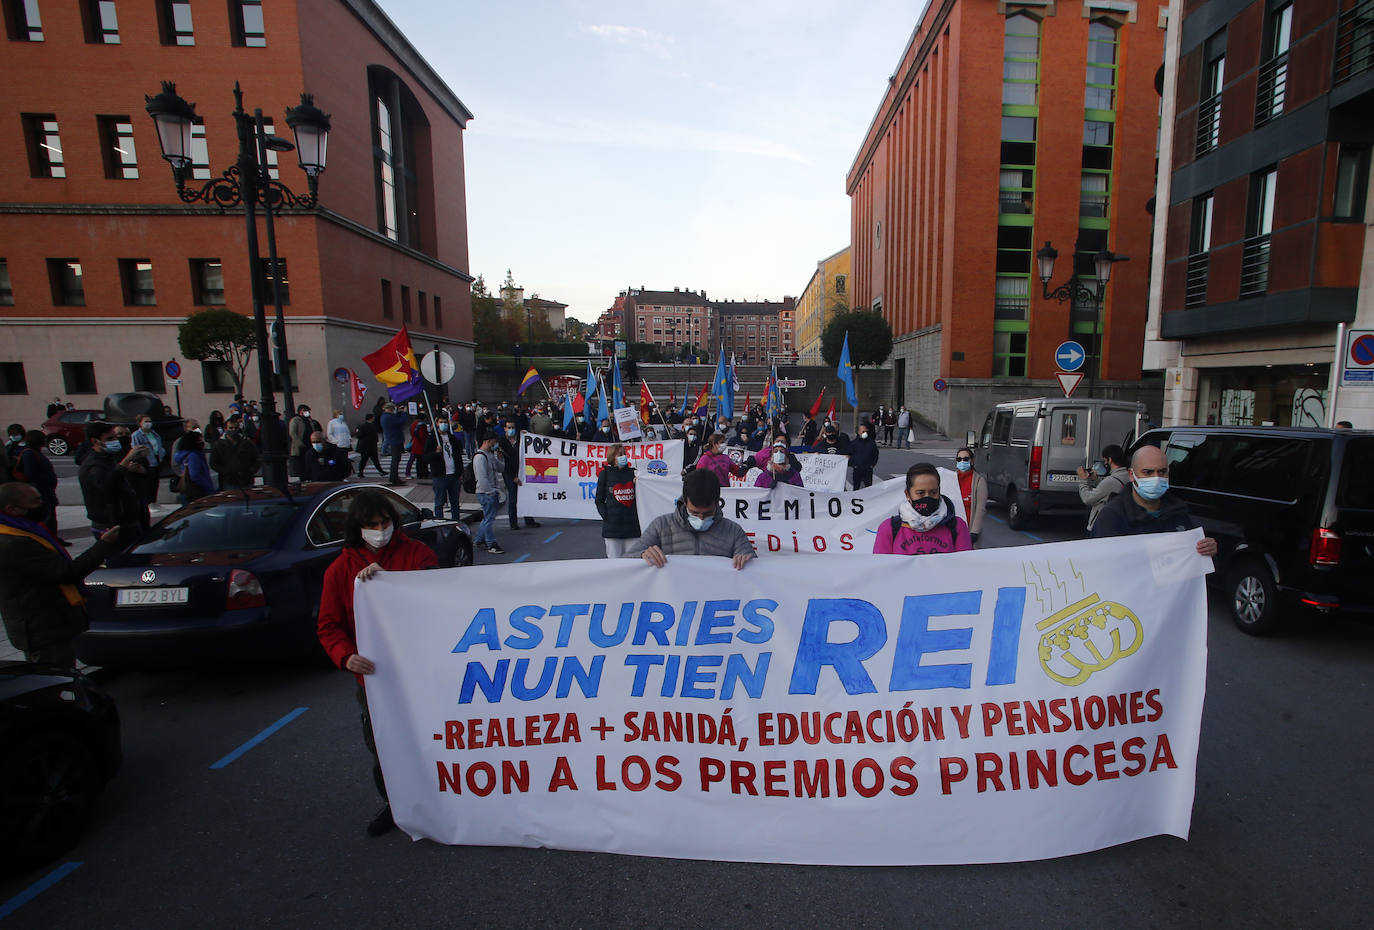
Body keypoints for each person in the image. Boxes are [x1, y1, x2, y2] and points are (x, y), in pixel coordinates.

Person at [316, 489, 438, 837]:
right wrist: (345, 655)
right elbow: (328, 626)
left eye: (385, 522)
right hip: (374, 679)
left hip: (420, 672)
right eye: (372, 525)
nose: (380, 530)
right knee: (383, 745)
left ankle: (441, 797)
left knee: (431, 738)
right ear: (358, 528)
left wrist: (390, 581)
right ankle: (395, 804)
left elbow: (439, 597)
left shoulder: (417, 554)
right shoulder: (340, 571)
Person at [0, 484, 118, 666]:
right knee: (54, 680)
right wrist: (103, 545)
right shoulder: (14, 542)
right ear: (12, 509)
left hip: (48, 624)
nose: (42, 504)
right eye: (35, 501)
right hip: (43, 629)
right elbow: (65, 572)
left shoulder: (25, 530)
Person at [1090, 445, 1219, 558]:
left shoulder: (1178, 511)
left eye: (1162, 472)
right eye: (1148, 472)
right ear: (1131, 474)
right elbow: (1101, 564)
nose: (1156, 478)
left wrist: (1208, 552)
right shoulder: (1112, 516)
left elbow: (1197, 566)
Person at [631, 468, 754, 570]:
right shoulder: (661, 526)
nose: (701, 519)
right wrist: (642, 555)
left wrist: (746, 560)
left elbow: (756, 568)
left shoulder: (733, 531)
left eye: (707, 514)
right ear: (684, 501)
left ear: (717, 503)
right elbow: (625, 561)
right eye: (695, 513)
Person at [873, 462, 973, 555]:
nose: (927, 497)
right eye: (920, 493)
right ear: (907, 494)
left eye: (933, 492)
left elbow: (965, 567)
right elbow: (881, 570)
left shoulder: (957, 527)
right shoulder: (889, 528)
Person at [79, 421, 148, 537]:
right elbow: (108, 485)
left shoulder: (108, 458)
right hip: (111, 525)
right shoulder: (93, 465)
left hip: (127, 520)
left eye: (115, 437)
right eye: (110, 438)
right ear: (95, 441)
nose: (116, 441)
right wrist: (126, 462)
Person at [595, 443, 642, 558]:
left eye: (624, 454)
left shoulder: (634, 473)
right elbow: (599, 500)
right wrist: (607, 516)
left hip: (633, 528)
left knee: (634, 562)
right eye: (620, 454)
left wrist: (639, 484)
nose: (623, 456)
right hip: (612, 529)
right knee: (615, 563)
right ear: (612, 457)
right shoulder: (605, 474)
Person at [15, 430, 61, 538]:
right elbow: (31, 474)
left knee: (51, 517)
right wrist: (47, 480)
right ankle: (48, 538)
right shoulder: (29, 454)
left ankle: (53, 537)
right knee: (46, 517)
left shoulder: (35, 453)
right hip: (41, 491)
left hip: (46, 490)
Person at [1076, 444, 1131, 533]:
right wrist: (1096, 479)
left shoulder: (1110, 481)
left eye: (1105, 460)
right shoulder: (1128, 476)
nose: (1105, 464)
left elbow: (1087, 499)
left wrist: (1083, 480)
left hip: (1102, 526)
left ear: (1110, 460)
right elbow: (1107, 490)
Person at [498, 417, 539, 529]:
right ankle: (513, 523)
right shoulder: (502, 442)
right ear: (505, 429)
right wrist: (513, 477)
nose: (511, 429)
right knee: (513, 497)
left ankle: (529, 520)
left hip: (522, 471)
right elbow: (503, 462)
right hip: (509, 473)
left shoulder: (521, 440)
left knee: (526, 495)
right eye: (509, 427)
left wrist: (528, 435)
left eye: (513, 427)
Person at [424, 414, 464, 520]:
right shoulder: (432, 438)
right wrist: (436, 453)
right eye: (441, 422)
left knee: (455, 502)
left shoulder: (452, 438)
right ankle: (440, 523)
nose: (444, 424)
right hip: (440, 476)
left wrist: (460, 472)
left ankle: (456, 522)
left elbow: (458, 455)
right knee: (439, 502)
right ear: (437, 423)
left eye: (445, 422)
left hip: (453, 475)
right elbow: (425, 457)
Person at [472, 434, 506, 554]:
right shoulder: (480, 457)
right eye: (494, 442)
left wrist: (501, 458)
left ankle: (479, 540)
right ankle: (491, 543)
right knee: (489, 519)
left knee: (487, 518)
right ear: (487, 441)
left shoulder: (490, 455)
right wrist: (491, 492)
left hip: (492, 491)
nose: (495, 445)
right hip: (486, 493)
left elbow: (500, 468)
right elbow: (482, 478)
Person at [210, 414, 260, 489]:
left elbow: (257, 458)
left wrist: (251, 471)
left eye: (235, 428)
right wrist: (226, 472)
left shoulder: (247, 442)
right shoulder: (219, 445)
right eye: (231, 428)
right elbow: (214, 463)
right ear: (225, 429)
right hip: (229, 481)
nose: (233, 430)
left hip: (246, 480)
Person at [129, 414, 166, 511]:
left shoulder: (154, 434)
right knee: (149, 483)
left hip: (157, 459)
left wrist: (162, 453)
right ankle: (149, 503)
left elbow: (159, 445)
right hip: (148, 461)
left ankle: (154, 501)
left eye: (149, 421)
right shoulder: (137, 435)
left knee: (155, 482)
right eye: (146, 421)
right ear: (140, 423)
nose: (148, 423)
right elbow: (136, 448)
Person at [953, 447, 988, 545]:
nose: (962, 462)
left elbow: (980, 508)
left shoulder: (979, 481)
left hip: (969, 527)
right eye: (959, 459)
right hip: (954, 528)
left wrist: (974, 532)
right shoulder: (952, 478)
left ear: (972, 461)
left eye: (965, 459)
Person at [172, 430, 214, 504]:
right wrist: (208, 487)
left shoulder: (185, 455)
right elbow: (195, 475)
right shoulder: (193, 456)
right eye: (199, 440)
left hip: (189, 491)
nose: (201, 442)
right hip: (197, 491)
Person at [287, 404, 320, 480]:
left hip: (309, 445)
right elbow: (292, 433)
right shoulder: (295, 420)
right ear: (301, 411)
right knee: (301, 464)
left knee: (309, 462)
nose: (307, 412)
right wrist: (299, 443)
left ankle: (309, 476)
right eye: (305, 410)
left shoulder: (309, 420)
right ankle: (303, 478)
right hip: (301, 446)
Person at [380, 403, 409, 486]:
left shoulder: (385, 416)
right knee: (395, 460)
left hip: (394, 439)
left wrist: (399, 413)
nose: (393, 411)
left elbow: (396, 419)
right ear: (389, 409)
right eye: (392, 409)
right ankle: (394, 478)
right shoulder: (388, 417)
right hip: (394, 439)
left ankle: (394, 477)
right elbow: (400, 421)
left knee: (396, 460)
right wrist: (404, 413)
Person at [849, 422, 880, 489]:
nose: (865, 433)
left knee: (868, 488)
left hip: (868, 469)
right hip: (857, 469)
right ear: (858, 432)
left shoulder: (871, 442)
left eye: (866, 431)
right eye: (863, 431)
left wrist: (872, 465)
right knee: (856, 487)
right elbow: (849, 455)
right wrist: (854, 465)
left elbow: (875, 454)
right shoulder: (854, 443)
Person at [354, 413, 383, 478]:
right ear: (371, 418)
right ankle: (361, 472)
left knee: (367, 460)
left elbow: (359, 435)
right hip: (368, 446)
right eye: (373, 417)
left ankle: (380, 471)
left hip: (366, 446)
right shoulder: (369, 426)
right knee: (369, 460)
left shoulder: (364, 425)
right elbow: (361, 435)